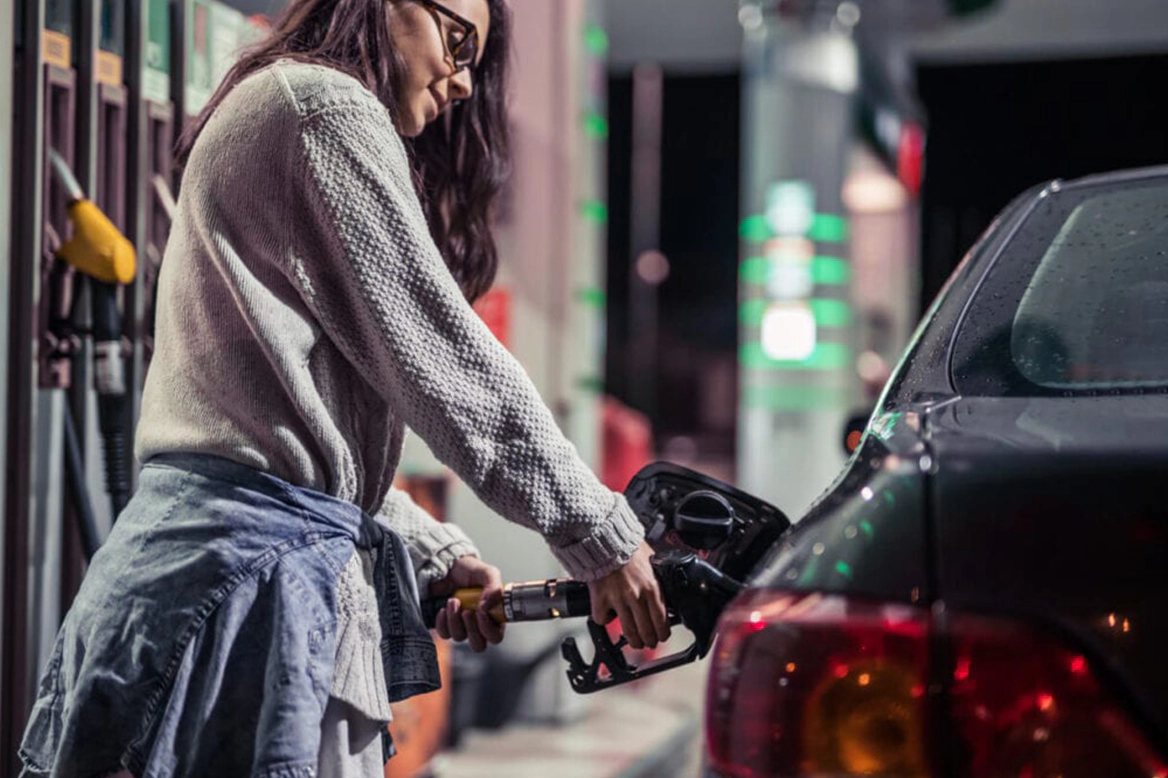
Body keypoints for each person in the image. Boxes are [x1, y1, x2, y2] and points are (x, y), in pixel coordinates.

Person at [18, 1, 670, 776]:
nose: (462, 81)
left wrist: (429, 549)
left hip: (212, 582)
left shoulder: (285, 103)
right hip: (235, 592)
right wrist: (600, 534)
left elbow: (283, 443)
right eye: (456, 40)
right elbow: (449, 363)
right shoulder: (322, 107)